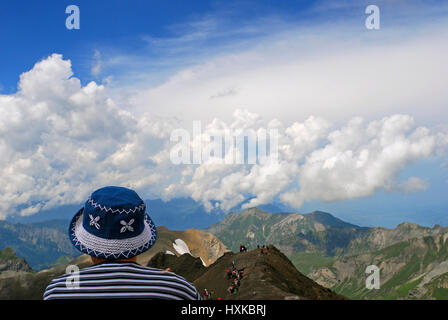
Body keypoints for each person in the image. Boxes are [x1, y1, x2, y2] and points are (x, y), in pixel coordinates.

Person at [43, 186, 201, 300]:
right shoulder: (179, 289)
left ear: (88, 245)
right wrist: (166, 285)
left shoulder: (57, 291)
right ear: (138, 243)